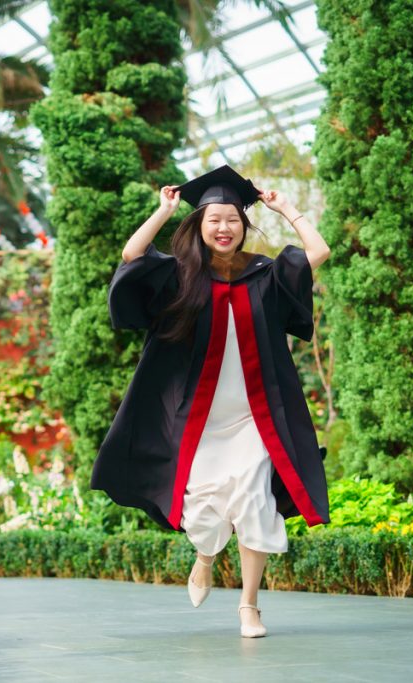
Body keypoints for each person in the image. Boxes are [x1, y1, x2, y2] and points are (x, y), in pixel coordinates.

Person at [91, 165, 331, 638]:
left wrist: (285, 209)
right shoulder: (179, 276)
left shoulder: (264, 274)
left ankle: (249, 606)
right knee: (201, 510)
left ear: (243, 226)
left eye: (233, 220)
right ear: (199, 227)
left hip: (253, 419)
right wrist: (163, 212)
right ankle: (204, 558)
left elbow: (318, 251)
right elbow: (131, 255)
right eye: (214, 220)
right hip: (200, 422)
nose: (224, 228)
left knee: (254, 504)